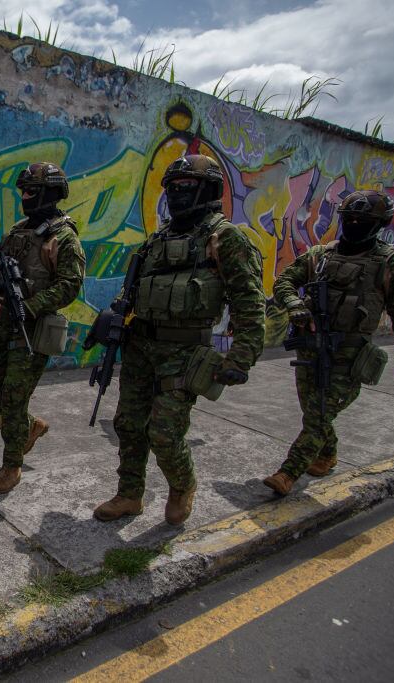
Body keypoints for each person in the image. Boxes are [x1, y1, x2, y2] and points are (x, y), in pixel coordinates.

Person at [94, 154, 265, 525]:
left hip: (185, 351)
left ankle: (182, 484)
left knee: (164, 432)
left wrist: (241, 357)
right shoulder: (157, 240)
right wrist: (111, 321)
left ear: (209, 191)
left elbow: (250, 302)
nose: (176, 195)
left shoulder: (225, 238)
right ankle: (129, 494)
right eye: (172, 188)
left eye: (186, 187)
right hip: (140, 346)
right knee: (127, 424)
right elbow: (132, 292)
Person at [263, 189, 394, 495]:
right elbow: (284, 281)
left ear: (379, 224)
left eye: (363, 220)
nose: (355, 225)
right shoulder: (319, 256)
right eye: (350, 219)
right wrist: (294, 304)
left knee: (320, 411)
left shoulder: (390, 265)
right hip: (311, 346)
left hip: (350, 354)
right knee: (314, 411)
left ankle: (288, 473)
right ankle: (326, 453)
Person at [0, 162, 85, 494]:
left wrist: (31, 304)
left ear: (51, 194)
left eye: (31, 191)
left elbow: (70, 286)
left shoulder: (63, 238)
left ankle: (11, 467)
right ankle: (30, 425)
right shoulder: (18, 230)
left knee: (13, 396)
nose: (25, 196)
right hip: (7, 320)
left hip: (34, 329)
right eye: (22, 190)